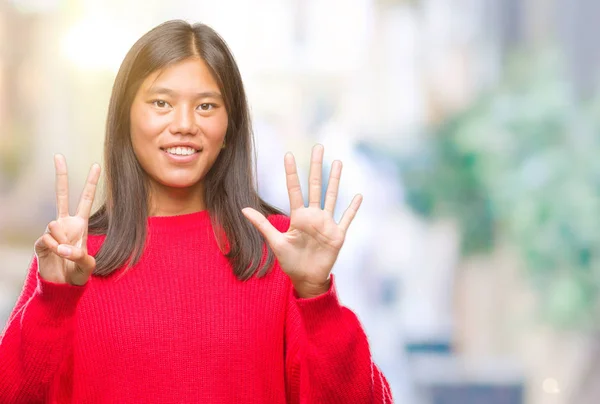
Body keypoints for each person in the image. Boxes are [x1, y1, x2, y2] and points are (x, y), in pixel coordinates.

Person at [0, 20, 393, 403]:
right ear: (125, 117)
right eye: (161, 103)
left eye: (206, 106)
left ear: (229, 126)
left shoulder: (283, 250)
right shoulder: (73, 256)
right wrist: (52, 302)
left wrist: (317, 297)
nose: (184, 124)